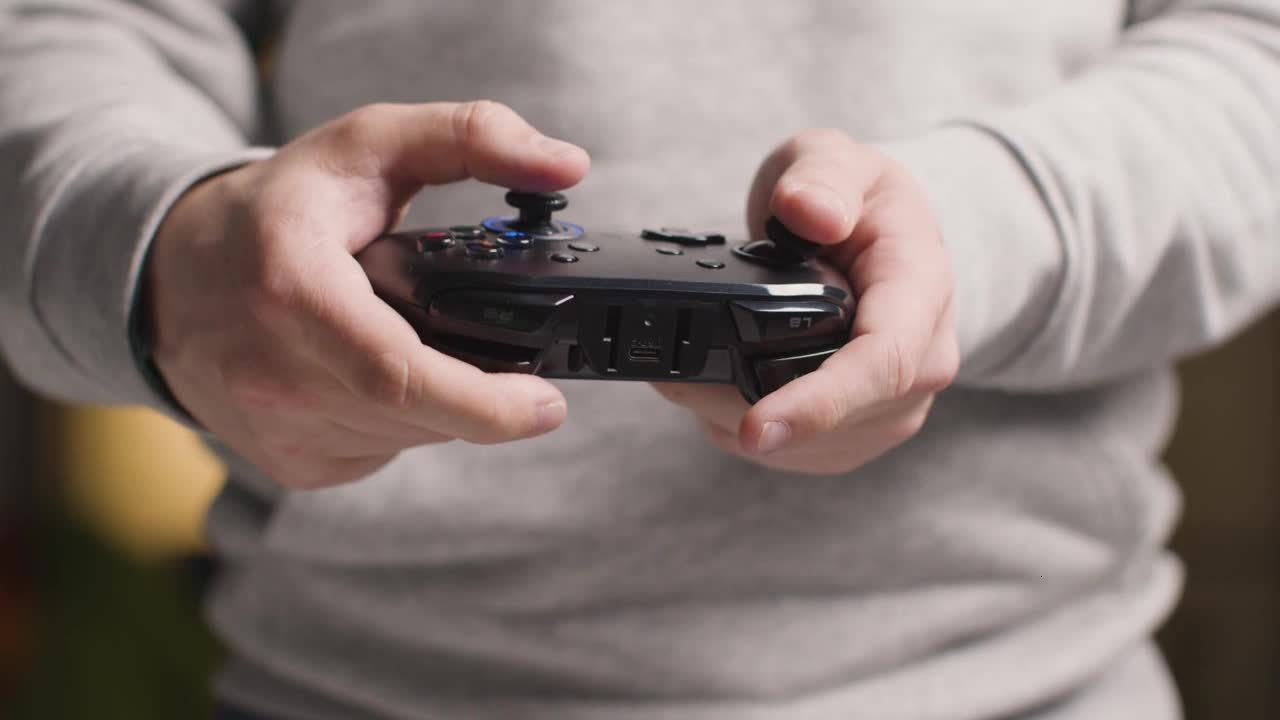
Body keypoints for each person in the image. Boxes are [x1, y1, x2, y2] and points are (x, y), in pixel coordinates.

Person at [2, 1, 1278, 718]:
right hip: (357, 686)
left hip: (1027, 684)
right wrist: (166, 251)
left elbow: (1250, 56)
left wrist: (988, 229)